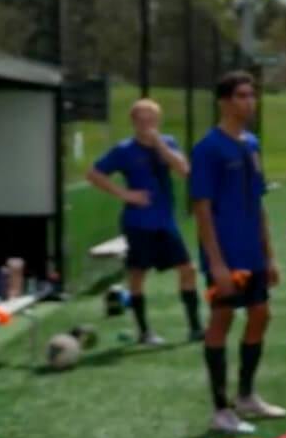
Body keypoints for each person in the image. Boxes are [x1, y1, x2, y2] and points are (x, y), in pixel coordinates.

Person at [188, 70, 286, 435]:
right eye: (243, 96)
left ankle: (246, 396)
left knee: (260, 314)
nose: (250, 102)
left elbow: (258, 203)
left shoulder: (251, 144)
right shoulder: (208, 149)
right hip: (225, 254)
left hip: (252, 252)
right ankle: (220, 409)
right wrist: (215, 262)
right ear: (225, 101)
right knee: (222, 320)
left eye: (252, 95)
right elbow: (201, 208)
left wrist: (270, 255)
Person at [84, 97, 202, 345]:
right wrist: (125, 194)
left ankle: (195, 327)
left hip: (165, 222)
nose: (146, 124)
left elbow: (184, 170)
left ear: (157, 121)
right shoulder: (124, 150)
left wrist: (159, 143)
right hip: (138, 223)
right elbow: (94, 174)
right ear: (133, 122)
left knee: (187, 269)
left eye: (151, 119)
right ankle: (144, 332)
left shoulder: (167, 143)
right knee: (137, 275)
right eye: (141, 119)